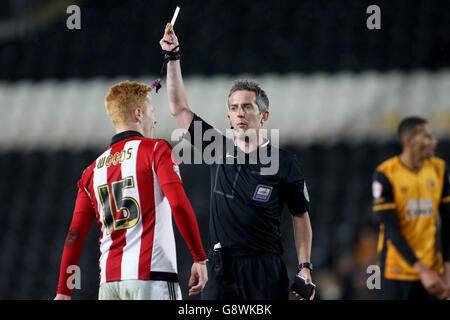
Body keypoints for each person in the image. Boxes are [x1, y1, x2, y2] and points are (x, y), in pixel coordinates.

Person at [160, 23, 314, 300]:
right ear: (228, 117)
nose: (239, 113)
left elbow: (300, 215)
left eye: (247, 107)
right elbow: (178, 108)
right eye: (233, 108)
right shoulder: (217, 147)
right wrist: (173, 57)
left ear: (263, 116)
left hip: (265, 268)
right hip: (223, 270)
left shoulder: (284, 162)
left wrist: (305, 268)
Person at [54, 81, 207, 300]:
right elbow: (179, 206)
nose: (154, 120)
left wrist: (63, 291)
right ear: (138, 114)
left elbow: (73, 236)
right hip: (151, 277)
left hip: (109, 285)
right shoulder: (156, 150)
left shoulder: (91, 171)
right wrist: (199, 257)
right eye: (151, 112)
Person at [372, 116, 450, 300]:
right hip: (395, 271)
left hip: (433, 270)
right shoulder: (385, 174)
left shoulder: (439, 169)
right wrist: (422, 271)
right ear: (408, 141)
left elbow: (448, 223)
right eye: (427, 137)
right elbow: (393, 230)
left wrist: (447, 270)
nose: (434, 141)